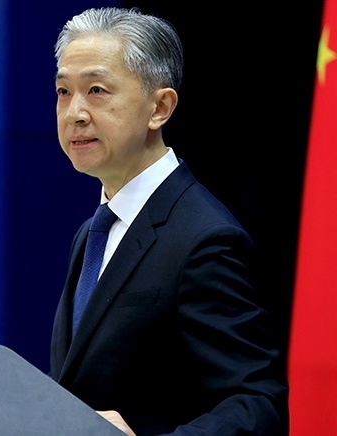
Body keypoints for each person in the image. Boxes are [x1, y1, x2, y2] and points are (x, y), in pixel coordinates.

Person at [49, 7, 288, 436]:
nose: (74, 113)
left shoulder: (206, 239)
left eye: (96, 90)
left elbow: (258, 404)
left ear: (159, 108)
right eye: (64, 92)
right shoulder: (93, 233)